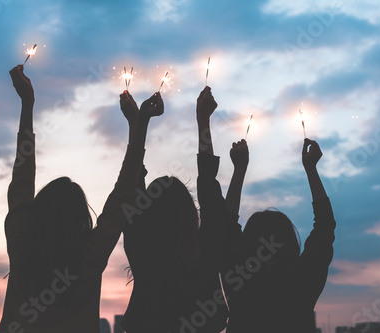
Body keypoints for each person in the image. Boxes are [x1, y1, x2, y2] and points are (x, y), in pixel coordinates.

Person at [0, 65, 162, 333]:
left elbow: (22, 178)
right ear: (80, 220)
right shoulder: (88, 258)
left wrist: (27, 104)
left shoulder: (21, 244)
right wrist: (138, 125)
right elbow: (122, 198)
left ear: (38, 212)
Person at [121, 86, 229, 333]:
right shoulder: (207, 253)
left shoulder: (142, 250)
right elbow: (210, 194)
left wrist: (138, 123)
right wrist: (203, 121)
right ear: (191, 213)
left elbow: (132, 187)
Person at [223, 138, 336, 333]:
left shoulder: (238, 278)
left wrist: (239, 169)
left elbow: (226, 227)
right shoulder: (302, 280)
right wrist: (311, 169)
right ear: (290, 242)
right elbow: (325, 226)